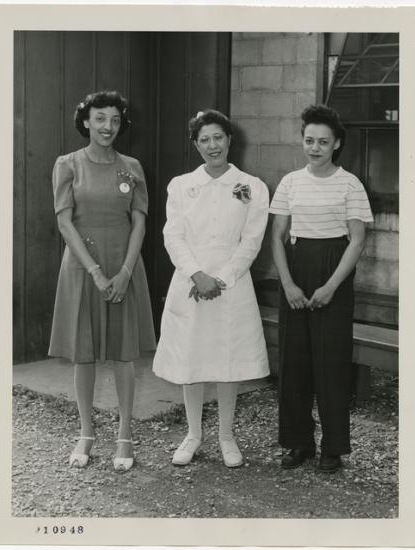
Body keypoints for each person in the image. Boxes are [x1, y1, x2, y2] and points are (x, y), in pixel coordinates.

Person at [153, 109, 270, 468]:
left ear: (230, 139)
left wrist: (224, 277)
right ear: (196, 145)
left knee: (226, 358)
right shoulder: (180, 185)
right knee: (193, 357)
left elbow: (251, 240)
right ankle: (193, 434)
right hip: (191, 282)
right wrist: (196, 275)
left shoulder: (253, 186)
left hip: (231, 284)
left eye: (218, 137)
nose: (212, 145)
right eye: (204, 139)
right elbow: (173, 235)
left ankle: (226, 436)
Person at [48, 90, 156, 471]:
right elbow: (64, 221)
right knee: (84, 351)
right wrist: (94, 271)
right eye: (99, 119)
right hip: (82, 267)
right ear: (86, 121)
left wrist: (125, 272)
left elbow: (140, 221)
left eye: (113, 119)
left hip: (124, 264)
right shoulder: (68, 164)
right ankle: (86, 432)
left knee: (125, 353)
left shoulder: (132, 166)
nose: (107, 126)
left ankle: (125, 434)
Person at [270, 104, 373, 473]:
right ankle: (299, 443)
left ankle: (333, 448)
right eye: (309, 140)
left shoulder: (350, 184)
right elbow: (277, 237)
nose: (315, 148)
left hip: (335, 271)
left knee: (330, 364)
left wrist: (331, 286)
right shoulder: (290, 183)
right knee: (294, 363)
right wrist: (288, 284)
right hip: (295, 272)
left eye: (323, 142)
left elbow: (357, 241)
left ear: (337, 144)